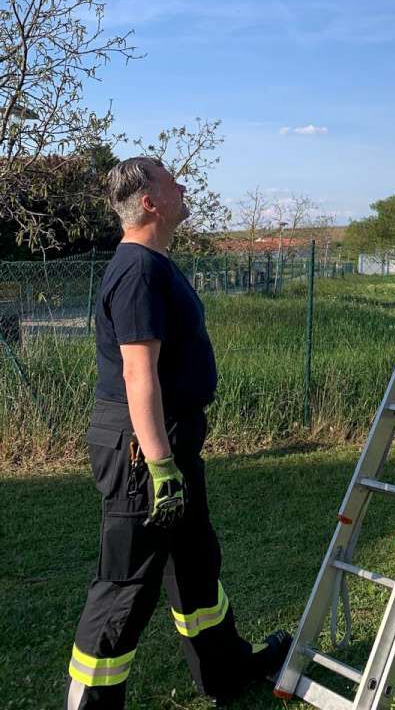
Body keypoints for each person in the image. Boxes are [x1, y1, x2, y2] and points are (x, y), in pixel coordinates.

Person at [65, 157, 290, 708]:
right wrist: (161, 466)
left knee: (194, 562)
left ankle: (227, 671)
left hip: (169, 442)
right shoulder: (138, 270)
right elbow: (139, 373)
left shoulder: (152, 262)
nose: (182, 186)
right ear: (150, 202)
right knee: (126, 584)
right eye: (172, 182)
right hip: (145, 449)